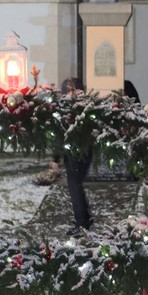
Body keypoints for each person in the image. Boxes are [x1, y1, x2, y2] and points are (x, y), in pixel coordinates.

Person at [60, 76, 93, 232]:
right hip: (72, 151)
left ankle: (82, 222)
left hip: (79, 150)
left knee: (75, 185)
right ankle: (83, 219)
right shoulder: (68, 109)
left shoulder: (80, 108)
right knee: (75, 185)